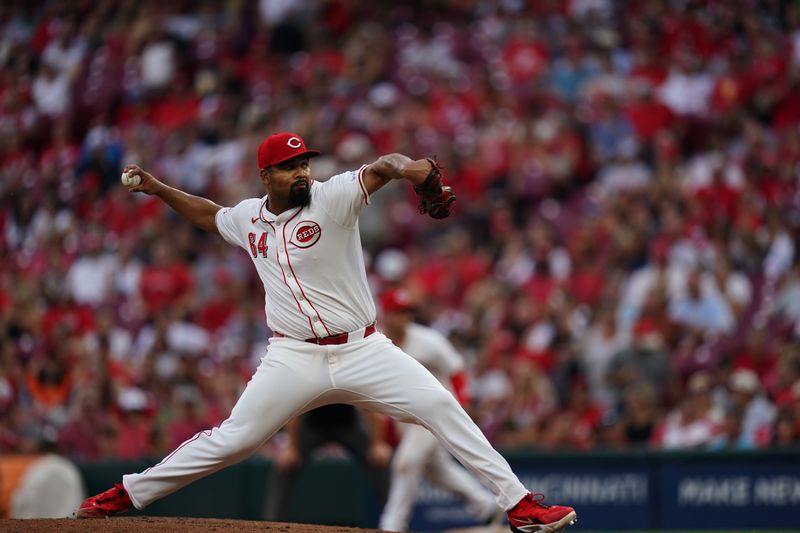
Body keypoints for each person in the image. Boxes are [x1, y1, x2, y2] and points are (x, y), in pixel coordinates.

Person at [75, 132, 577, 533]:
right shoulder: (250, 217)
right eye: (291, 166)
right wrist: (160, 189)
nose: (303, 172)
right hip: (292, 357)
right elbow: (210, 215)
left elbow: (381, 166)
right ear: (267, 174)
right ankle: (126, 493)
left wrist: (407, 171)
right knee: (234, 440)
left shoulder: (332, 198)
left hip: (363, 348)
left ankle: (520, 505)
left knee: (440, 406)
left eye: (305, 163)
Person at [377, 288, 499, 532]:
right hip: (407, 417)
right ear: (386, 315)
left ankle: (392, 525)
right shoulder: (378, 343)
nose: (404, 317)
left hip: (434, 411)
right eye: (398, 312)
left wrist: (461, 405)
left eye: (407, 312)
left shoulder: (427, 340)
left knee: (406, 462)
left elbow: (456, 369)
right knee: (437, 472)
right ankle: (485, 505)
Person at [265, 405, 391, 523]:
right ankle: (271, 523)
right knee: (286, 464)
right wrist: (291, 447)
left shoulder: (349, 381)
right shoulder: (310, 381)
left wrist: (377, 444)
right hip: (313, 426)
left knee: (378, 460)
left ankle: (393, 518)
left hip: (347, 425)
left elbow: (372, 408)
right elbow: (295, 410)